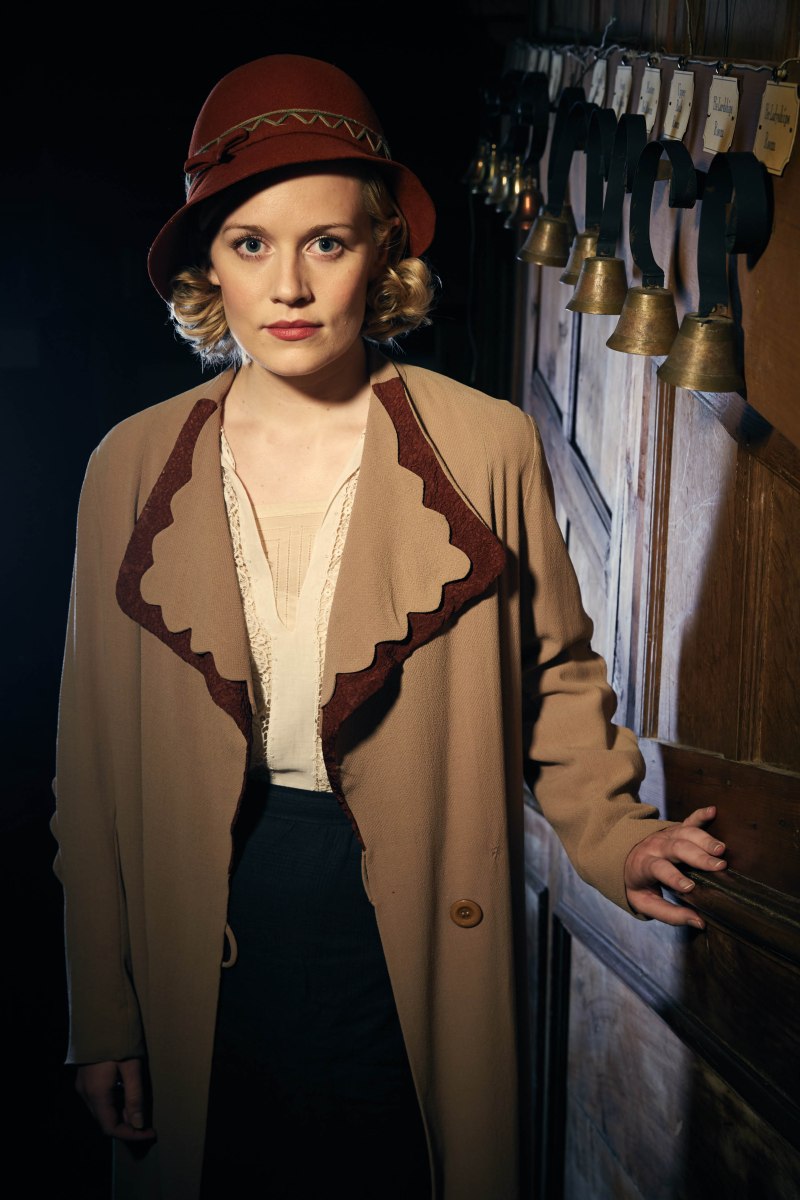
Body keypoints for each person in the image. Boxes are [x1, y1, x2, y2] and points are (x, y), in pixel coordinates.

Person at [52, 54, 728, 1200]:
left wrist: (614, 834)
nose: (289, 284)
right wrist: (101, 1012)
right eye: (250, 244)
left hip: (406, 925)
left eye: (325, 241)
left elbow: (554, 676)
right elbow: (90, 768)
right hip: (200, 921)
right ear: (209, 265)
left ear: (380, 253)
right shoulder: (127, 465)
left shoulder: (484, 443)